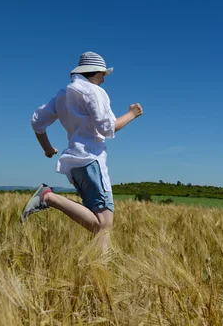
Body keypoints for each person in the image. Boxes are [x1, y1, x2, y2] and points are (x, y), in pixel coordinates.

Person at [20, 51, 142, 250]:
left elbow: (37, 122)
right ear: (93, 73)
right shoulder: (94, 92)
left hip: (75, 164)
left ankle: (102, 272)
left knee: (102, 225)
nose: (103, 80)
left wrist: (48, 149)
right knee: (104, 223)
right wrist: (131, 114)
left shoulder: (63, 94)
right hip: (91, 160)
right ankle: (48, 196)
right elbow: (107, 128)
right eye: (103, 75)